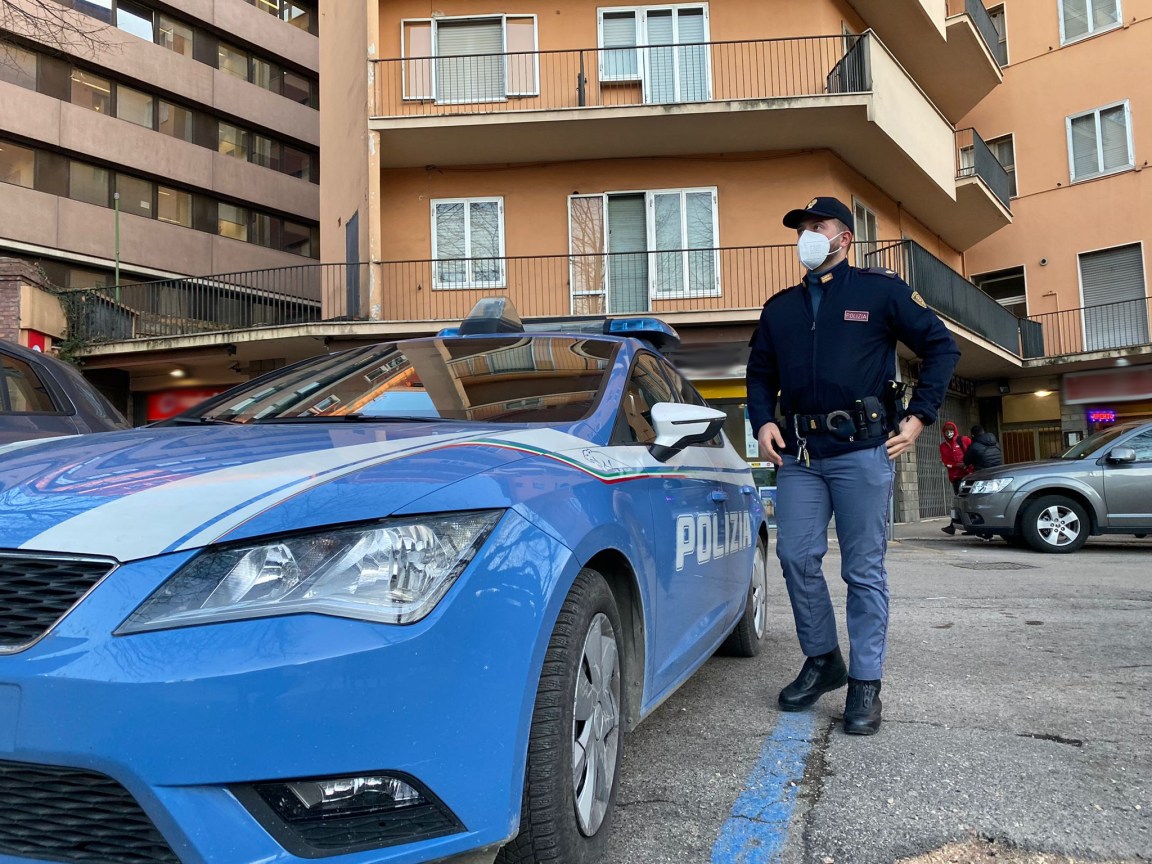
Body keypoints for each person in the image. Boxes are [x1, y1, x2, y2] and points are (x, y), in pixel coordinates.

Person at [746, 196, 960, 736]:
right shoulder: (779, 308)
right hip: (800, 456)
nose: (807, 236)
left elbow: (942, 347)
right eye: (801, 228)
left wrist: (918, 417)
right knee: (795, 556)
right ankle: (823, 660)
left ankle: (866, 683)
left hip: (864, 452)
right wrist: (760, 420)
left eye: (818, 227)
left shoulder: (879, 291)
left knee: (862, 570)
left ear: (844, 238)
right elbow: (758, 372)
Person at [938, 421, 972, 535]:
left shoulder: (964, 440)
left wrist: (967, 465)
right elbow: (945, 462)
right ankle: (958, 525)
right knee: (960, 501)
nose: (949, 433)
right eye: (947, 431)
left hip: (967, 475)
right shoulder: (943, 446)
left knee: (965, 501)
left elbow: (972, 453)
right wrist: (955, 465)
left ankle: (956, 526)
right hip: (956, 478)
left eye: (951, 431)